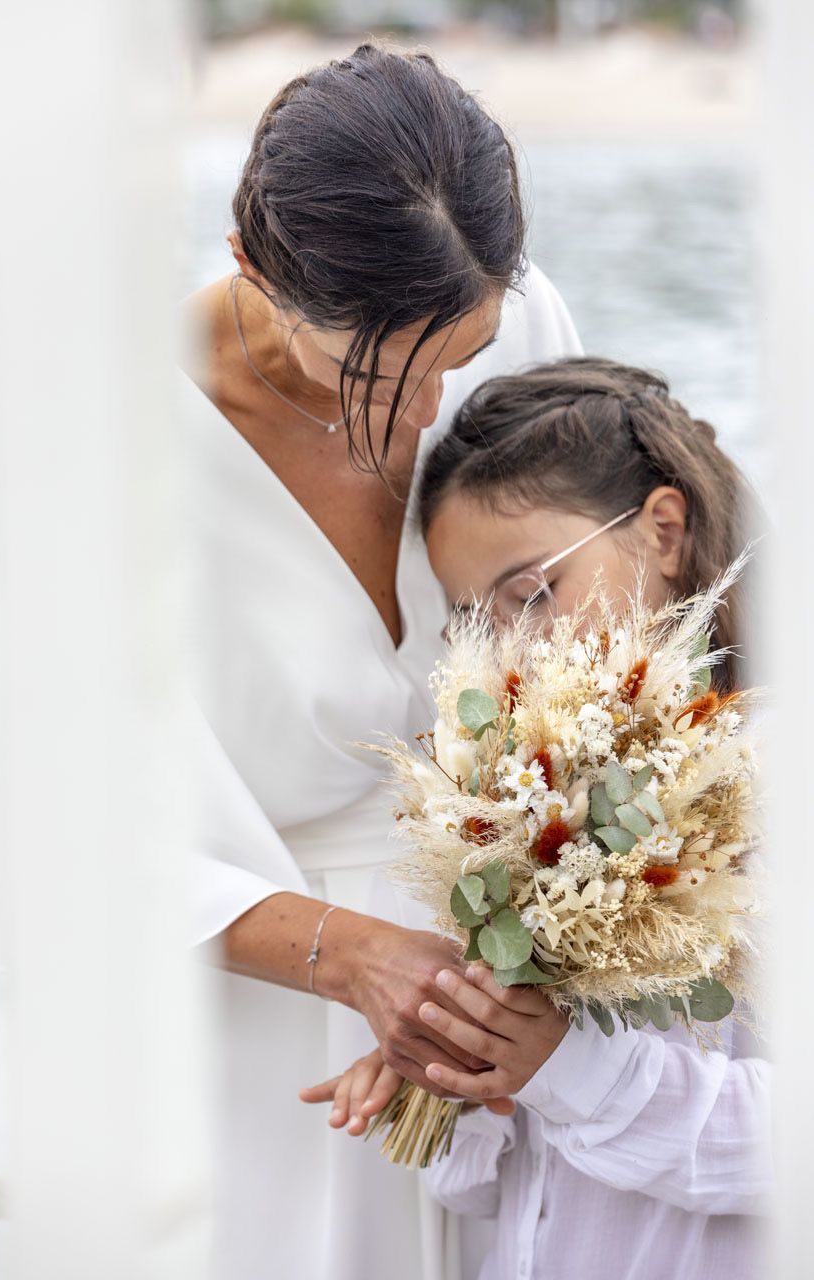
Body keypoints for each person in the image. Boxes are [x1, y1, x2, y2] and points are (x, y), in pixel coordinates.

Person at [177, 45, 580, 1280]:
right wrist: (353, 956)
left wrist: (547, 947)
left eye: (463, 350)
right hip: (263, 1022)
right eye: (368, 371)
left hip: (524, 1005)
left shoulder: (524, 323)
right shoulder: (106, 423)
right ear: (252, 270)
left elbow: (618, 632)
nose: (429, 411)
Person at [303, 358, 770, 1280]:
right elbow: (498, 1190)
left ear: (663, 531)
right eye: (474, 620)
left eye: (531, 592)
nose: (515, 647)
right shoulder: (528, 800)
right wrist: (460, 1062)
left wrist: (564, 1068)